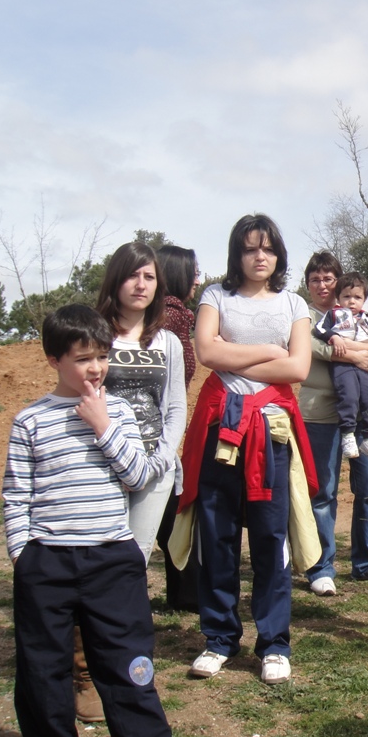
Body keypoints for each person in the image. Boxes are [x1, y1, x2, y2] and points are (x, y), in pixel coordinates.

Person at [3, 304, 173, 737]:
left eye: (102, 355)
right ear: (54, 361)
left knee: (129, 670)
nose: (96, 368)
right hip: (48, 563)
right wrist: (24, 555)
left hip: (111, 560)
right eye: (82, 359)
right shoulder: (30, 420)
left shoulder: (118, 413)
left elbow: (137, 476)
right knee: (43, 675)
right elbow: (17, 494)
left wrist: (102, 427)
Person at [175, 214, 318, 686]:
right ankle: (218, 639)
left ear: (278, 255)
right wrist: (271, 355)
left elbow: (297, 369)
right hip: (221, 429)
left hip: (271, 433)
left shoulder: (295, 303)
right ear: (236, 254)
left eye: (269, 249)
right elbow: (208, 354)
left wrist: (249, 355)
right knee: (216, 540)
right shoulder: (215, 296)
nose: (260, 257)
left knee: (269, 540)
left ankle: (274, 642)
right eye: (251, 248)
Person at [299, 251, 368, 596]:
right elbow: (306, 345)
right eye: (315, 279)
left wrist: (365, 348)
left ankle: (367, 560)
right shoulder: (301, 314)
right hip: (318, 412)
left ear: (340, 283)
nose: (322, 284)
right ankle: (321, 567)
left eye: (328, 278)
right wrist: (353, 352)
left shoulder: (361, 315)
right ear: (308, 285)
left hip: (363, 415)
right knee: (323, 492)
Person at [96, 242, 187, 566]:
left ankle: (119, 617)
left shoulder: (168, 342)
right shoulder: (95, 336)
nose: (140, 284)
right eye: (132, 275)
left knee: (134, 558)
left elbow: (176, 406)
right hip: (101, 463)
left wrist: (162, 458)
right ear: (116, 280)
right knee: (99, 554)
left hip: (153, 466)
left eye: (149, 277)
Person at [154, 243, 201, 613]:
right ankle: (187, 592)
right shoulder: (173, 318)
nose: (198, 279)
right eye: (194, 272)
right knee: (170, 511)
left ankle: (183, 592)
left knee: (171, 510)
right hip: (157, 431)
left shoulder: (169, 316)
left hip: (162, 428)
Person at [312, 271, 368, 460]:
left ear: (364, 299)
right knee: (348, 396)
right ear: (338, 298)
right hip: (342, 366)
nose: (351, 301)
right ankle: (348, 434)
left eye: (357, 297)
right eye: (346, 297)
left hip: (364, 368)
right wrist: (333, 336)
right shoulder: (333, 315)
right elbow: (319, 330)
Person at [156, 244, 200, 389]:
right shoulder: (169, 316)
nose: (197, 282)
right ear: (178, 275)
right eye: (194, 275)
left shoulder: (170, 313)